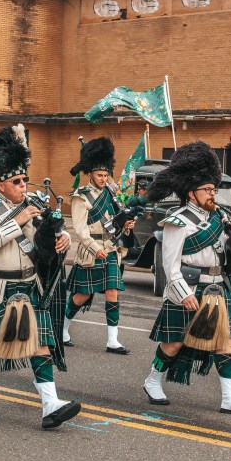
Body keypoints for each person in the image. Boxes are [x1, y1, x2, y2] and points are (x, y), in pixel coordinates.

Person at [0, 124, 80, 429]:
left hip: (29, 285)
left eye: (25, 180)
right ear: (1, 185)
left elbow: (42, 237)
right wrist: (19, 218)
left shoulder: (28, 205)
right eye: (17, 181)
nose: (23, 185)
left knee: (40, 345)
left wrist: (61, 237)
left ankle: (50, 404)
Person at [142, 141, 231, 416]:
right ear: (191, 193)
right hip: (190, 287)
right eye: (207, 190)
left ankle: (229, 398)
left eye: (213, 189)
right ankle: (152, 381)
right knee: (174, 342)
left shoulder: (219, 217)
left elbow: (225, 254)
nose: (212, 194)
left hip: (217, 289)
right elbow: (169, 265)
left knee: (224, 342)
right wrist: (183, 293)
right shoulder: (178, 220)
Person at [63, 137, 136, 354]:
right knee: (82, 295)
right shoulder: (80, 197)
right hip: (91, 250)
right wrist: (96, 249)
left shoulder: (111, 195)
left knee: (113, 291)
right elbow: (80, 229)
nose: (103, 179)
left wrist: (127, 226)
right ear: (90, 175)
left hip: (111, 249)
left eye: (105, 175)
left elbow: (115, 221)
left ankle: (112, 340)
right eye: (99, 175)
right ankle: (63, 328)